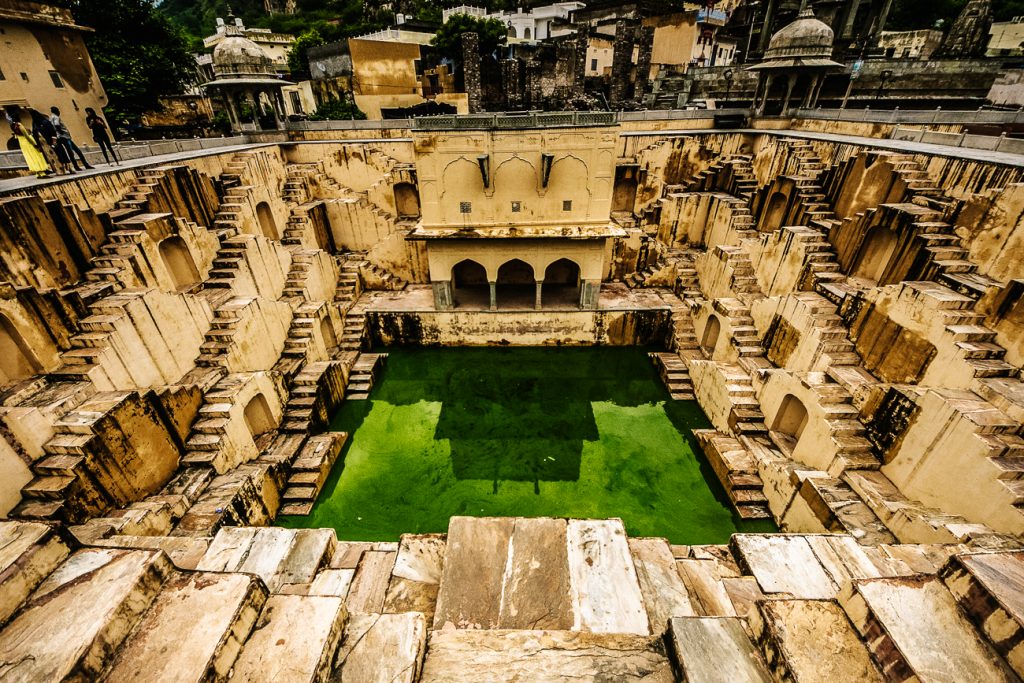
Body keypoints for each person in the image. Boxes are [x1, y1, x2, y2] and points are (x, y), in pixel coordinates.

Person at [30, 109, 73, 175]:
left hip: (52, 142)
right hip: (45, 145)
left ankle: (69, 168)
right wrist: (38, 145)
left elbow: (53, 132)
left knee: (60, 155)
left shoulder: (45, 122)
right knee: (53, 158)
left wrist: (54, 141)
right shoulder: (35, 124)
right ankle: (59, 170)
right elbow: (34, 134)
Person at [49, 106, 93, 171]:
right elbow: (57, 125)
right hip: (64, 137)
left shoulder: (50, 118)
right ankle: (80, 165)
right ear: (56, 111)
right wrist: (61, 132)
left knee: (70, 151)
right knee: (74, 151)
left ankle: (79, 165)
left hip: (59, 137)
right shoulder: (56, 117)